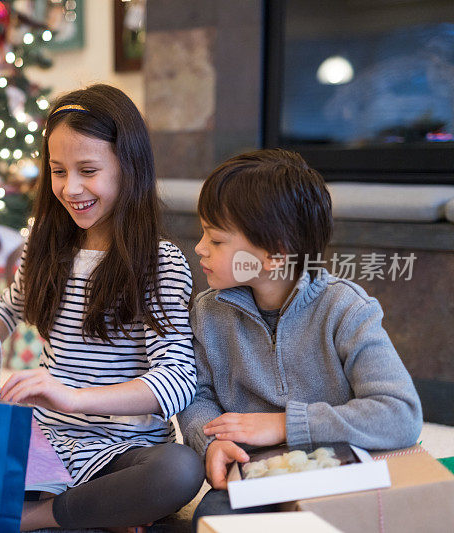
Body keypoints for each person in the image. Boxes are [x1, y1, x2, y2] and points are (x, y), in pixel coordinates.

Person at [0, 84, 204, 532]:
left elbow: (174, 382)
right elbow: (9, 307)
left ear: (128, 167)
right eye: (58, 171)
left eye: (88, 170)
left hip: (125, 450)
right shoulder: (44, 239)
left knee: (179, 470)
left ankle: (41, 517)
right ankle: (94, 514)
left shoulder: (160, 261)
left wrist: (73, 398)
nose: (70, 188)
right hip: (47, 442)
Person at [176, 149, 423, 531]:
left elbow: (400, 414)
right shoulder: (208, 313)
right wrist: (209, 443)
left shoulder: (346, 308)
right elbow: (196, 396)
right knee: (211, 522)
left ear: (275, 255)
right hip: (252, 472)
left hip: (337, 469)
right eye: (202, 232)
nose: (200, 247)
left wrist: (285, 425)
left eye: (217, 239)